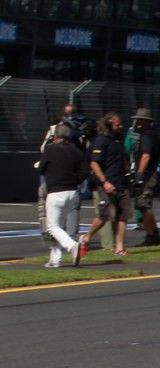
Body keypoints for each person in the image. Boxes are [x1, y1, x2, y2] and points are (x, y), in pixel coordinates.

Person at [80, 112, 134, 258]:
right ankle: (87, 237)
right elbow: (94, 163)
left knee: (123, 215)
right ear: (109, 125)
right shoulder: (101, 140)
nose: (121, 127)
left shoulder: (118, 140)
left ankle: (119, 247)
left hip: (121, 182)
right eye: (118, 124)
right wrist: (104, 182)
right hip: (107, 183)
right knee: (105, 215)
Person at [37, 123, 88, 267]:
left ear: (56, 136)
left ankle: (71, 246)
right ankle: (55, 258)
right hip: (72, 192)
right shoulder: (77, 151)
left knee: (52, 226)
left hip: (56, 192)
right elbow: (85, 171)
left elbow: (41, 168)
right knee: (59, 226)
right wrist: (74, 180)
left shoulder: (51, 149)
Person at [127, 108, 160, 246]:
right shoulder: (153, 134)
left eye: (139, 120)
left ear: (144, 122)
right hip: (149, 172)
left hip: (147, 173)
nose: (137, 123)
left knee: (143, 204)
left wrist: (139, 174)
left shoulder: (147, 136)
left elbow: (146, 155)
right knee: (142, 204)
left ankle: (152, 234)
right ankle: (153, 233)